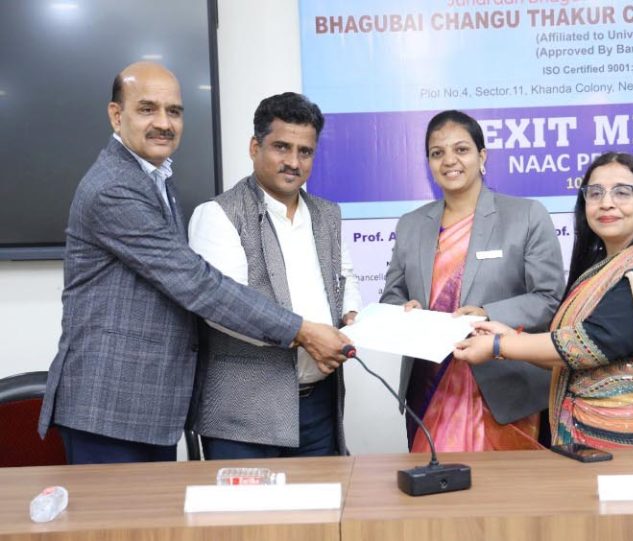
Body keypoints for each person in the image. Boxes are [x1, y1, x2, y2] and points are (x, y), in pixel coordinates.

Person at [38, 62, 350, 465]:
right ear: (116, 115)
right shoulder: (114, 187)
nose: (163, 123)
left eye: (174, 111)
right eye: (147, 109)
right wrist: (303, 331)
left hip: (148, 404)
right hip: (110, 403)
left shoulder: (155, 178)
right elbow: (198, 285)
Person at [451, 152, 633, 448]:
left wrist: (499, 346)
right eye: (595, 193)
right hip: (586, 438)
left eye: (622, 192)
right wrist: (511, 336)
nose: (606, 203)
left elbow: (590, 345)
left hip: (623, 445)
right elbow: (568, 353)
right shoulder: (604, 268)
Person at [379, 110, 563, 452]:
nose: (449, 160)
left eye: (461, 149)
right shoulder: (411, 224)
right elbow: (392, 295)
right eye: (437, 153)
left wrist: (487, 314)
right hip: (429, 383)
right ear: (428, 162)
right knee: (435, 482)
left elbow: (549, 298)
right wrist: (405, 310)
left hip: (504, 386)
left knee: (505, 486)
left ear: (482, 156)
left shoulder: (525, 215)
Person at [187, 92, 359, 459]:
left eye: (305, 151)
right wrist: (306, 334)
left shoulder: (327, 214)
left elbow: (344, 279)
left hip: (319, 408)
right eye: (282, 147)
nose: (293, 162)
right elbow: (225, 308)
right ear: (255, 147)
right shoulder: (218, 214)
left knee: (323, 499)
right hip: (244, 416)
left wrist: (351, 314)